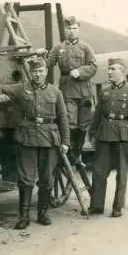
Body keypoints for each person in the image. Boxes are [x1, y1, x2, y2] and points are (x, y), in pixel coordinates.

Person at [0, 56, 70, 229]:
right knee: (25, 179)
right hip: (27, 138)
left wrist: (66, 141)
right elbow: (4, 88)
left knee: (46, 179)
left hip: (50, 139)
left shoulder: (55, 92)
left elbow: (63, 119)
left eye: (40, 71)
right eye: (34, 72)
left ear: (46, 72)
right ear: (30, 73)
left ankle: (43, 213)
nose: (37, 74)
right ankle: (23, 217)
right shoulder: (22, 89)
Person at [87, 58, 128, 217]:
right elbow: (98, 115)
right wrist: (92, 133)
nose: (109, 71)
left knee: (122, 173)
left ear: (122, 71)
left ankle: (117, 207)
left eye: (113, 69)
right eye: (109, 69)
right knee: (99, 171)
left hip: (122, 136)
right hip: (104, 134)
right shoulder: (104, 91)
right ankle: (97, 205)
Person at [47, 16, 98, 169]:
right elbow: (48, 63)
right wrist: (40, 56)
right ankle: (70, 154)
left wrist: (80, 72)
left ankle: (78, 154)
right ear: (65, 30)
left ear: (78, 30)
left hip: (84, 91)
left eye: (75, 28)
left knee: (83, 125)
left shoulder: (85, 48)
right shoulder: (59, 48)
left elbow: (94, 67)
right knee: (70, 122)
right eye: (69, 29)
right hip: (67, 90)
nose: (72, 31)